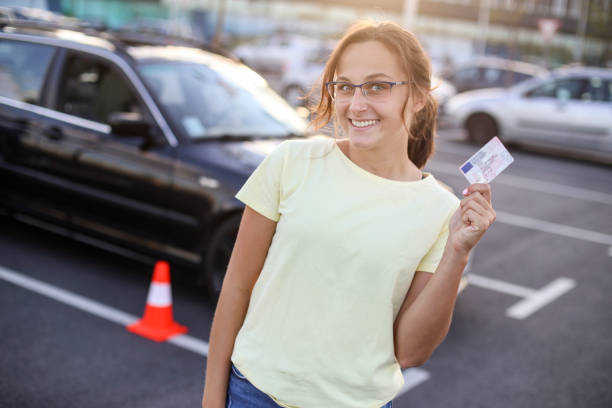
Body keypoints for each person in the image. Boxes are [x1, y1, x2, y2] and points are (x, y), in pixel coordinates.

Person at [201, 20, 496, 408]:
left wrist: (458, 252)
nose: (356, 105)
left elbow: (411, 351)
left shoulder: (442, 212)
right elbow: (236, 288)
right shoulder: (291, 162)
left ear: (420, 96)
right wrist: (211, 400)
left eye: (378, 86)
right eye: (344, 87)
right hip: (252, 394)